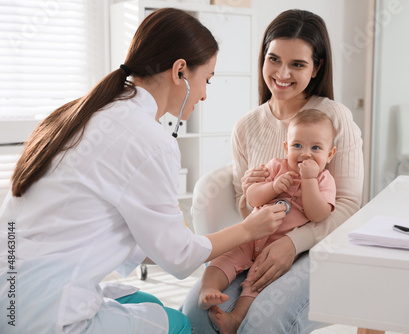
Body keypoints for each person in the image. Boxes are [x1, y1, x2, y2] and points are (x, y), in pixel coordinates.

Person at [0, 8, 287, 334]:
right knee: (180, 323)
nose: (205, 94)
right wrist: (250, 229)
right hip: (43, 312)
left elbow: (119, 229)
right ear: (180, 71)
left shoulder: (80, 113)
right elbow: (179, 258)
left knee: (142, 298)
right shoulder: (148, 139)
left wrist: (169, 233)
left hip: (9, 293)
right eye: (206, 80)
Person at [182, 8, 368, 334]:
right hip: (259, 243)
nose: (282, 73)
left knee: (264, 320)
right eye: (274, 59)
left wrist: (294, 243)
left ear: (317, 67)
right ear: (263, 58)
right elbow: (245, 206)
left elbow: (349, 208)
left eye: (297, 64)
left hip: (317, 250)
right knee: (195, 314)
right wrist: (252, 187)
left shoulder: (334, 118)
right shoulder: (247, 126)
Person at [198, 109, 337, 333]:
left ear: (330, 154)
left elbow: (318, 214)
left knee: (257, 283)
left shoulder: (323, 179)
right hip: (250, 235)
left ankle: (235, 319)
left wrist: (309, 180)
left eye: (316, 148)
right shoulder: (275, 166)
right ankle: (208, 290)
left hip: (275, 249)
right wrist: (272, 187)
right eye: (297, 146)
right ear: (286, 147)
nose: (305, 154)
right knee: (222, 259)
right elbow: (252, 197)